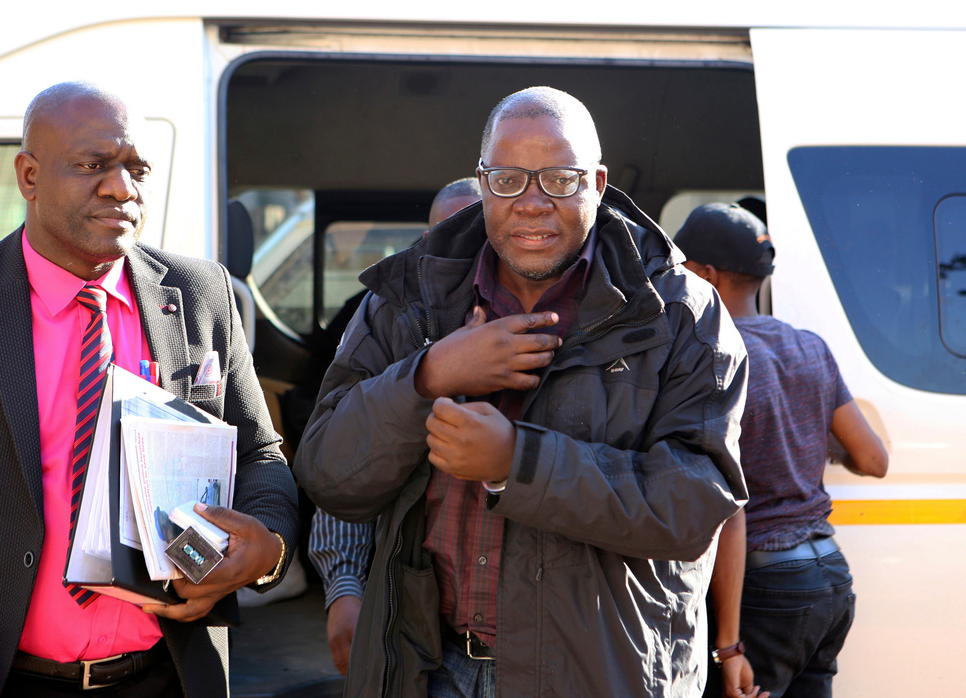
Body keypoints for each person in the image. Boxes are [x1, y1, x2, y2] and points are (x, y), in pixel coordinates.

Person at [293, 86, 750, 697]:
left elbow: (695, 506)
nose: (532, 202)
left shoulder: (679, 313)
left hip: (598, 676)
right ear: (483, 182)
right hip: (427, 668)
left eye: (560, 179)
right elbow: (327, 474)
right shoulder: (409, 301)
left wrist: (517, 462)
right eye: (508, 179)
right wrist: (427, 375)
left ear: (597, 181)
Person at [0, 82, 300, 698]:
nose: (122, 189)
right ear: (28, 176)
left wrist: (266, 547)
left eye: (136, 168)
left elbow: (260, 457)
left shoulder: (197, 294)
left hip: (173, 675)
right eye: (93, 166)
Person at [674, 203, 888, 698]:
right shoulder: (808, 347)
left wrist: (727, 648)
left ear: (707, 274)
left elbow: (730, 509)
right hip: (830, 578)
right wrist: (811, 439)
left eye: (681, 269)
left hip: (763, 589)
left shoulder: (714, 357)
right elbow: (873, 460)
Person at [308, 177, 483, 676]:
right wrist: (344, 585)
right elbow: (349, 460)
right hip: (416, 613)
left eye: (477, 238)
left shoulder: (549, 326)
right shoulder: (397, 320)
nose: (460, 257)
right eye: (443, 242)